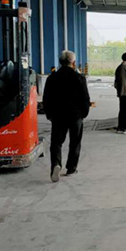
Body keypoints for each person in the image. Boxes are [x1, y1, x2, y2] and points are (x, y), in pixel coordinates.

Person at [42, 50, 91, 183]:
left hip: (58, 115)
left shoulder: (52, 78)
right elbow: (85, 98)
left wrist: (49, 113)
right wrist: (84, 113)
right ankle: (71, 168)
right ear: (73, 63)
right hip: (75, 115)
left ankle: (56, 164)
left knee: (56, 142)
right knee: (75, 142)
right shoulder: (79, 78)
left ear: (60, 62)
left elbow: (46, 98)